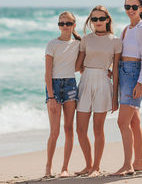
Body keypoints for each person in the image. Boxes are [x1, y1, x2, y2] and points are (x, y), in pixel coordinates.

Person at [75, 5, 122, 177]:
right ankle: (88, 165)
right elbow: (78, 66)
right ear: (91, 21)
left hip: (103, 82)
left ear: (108, 19)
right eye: (94, 19)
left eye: (101, 18)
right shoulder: (86, 40)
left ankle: (96, 167)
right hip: (85, 81)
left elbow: (115, 70)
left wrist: (115, 96)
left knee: (98, 129)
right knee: (80, 129)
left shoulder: (116, 41)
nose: (98, 22)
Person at [112, 0, 142, 176]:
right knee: (134, 122)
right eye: (127, 6)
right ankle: (138, 162)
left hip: (134, 74)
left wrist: (140, 82)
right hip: (123, 73)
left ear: (141, 9)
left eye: (134, 7)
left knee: (122, 122)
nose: (130, 10)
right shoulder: (127, 29)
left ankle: (127, 164)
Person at [44, 11, 81, 177]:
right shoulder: (52, 44)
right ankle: (48, 167)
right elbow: (47, 73)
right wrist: (51, 97)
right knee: (54, 131)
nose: (64, 26)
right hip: (54, 85)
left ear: (73, 25)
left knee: (68, 128)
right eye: (61, 23)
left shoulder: (78, 44)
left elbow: (82, 65)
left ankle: (65, 168)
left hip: (71, 85)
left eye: (67, 23)